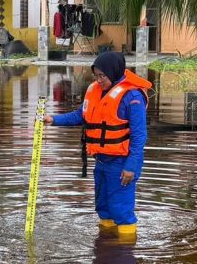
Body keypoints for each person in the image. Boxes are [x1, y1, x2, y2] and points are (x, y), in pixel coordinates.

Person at [44, 51, 151, 240]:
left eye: (103, 75)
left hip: (122, 162)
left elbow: (139, 136)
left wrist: (131, 167)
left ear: (114, 71)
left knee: (121, 209)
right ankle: (105, 251)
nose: (99, 80)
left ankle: (124, 255)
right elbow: (81, 116)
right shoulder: (94, 90)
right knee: (103, 207)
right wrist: (54, 119)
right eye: (96, 75)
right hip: (101, 160)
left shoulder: (132, 96)